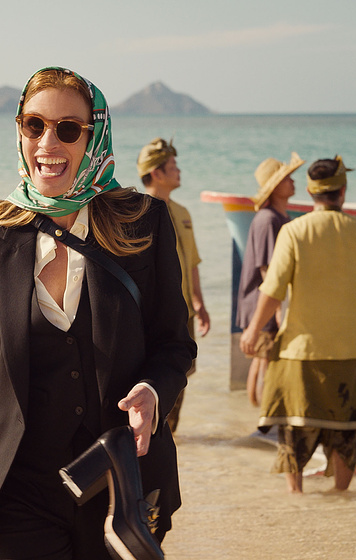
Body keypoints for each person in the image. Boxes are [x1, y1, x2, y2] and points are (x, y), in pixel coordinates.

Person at [0, 67, 194, 558]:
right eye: (34, 125)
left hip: (120, 484)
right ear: (20, 130)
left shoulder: (144, 222)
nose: (49, 142)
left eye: (69, 128)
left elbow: (174, 344)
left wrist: (153, 391)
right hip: (19, 488)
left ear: (95, 135)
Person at [240, 157, 356, 494]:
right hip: (348, 355)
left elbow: (273, 291)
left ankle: (298, 506)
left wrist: (251, 331)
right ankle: (341, 501)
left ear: (310, 192)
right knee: (345, 438)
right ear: (343, 191)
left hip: (299, 356)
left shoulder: (294, 231)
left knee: (294, 439)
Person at [138, 137, 210, 433]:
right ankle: (151, 432)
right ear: (157, 173)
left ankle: (170, 435)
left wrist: (199, 304)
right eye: (173, 166)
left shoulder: (182, 213)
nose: (178, 171)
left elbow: (191, 262)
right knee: (152, 375)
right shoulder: (137, 211)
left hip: (184, 312)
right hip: (151, 313)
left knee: (181, 373)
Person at [237, 153, 304, 408]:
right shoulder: (269, 220)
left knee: (261, 359)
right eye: (287, 178)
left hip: (264, 301)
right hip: (262, 302)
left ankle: (262, 416)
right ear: (275, 187)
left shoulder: (279, 218)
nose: (292, 181)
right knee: (264, 359)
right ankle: (265, 416)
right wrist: (277, 308)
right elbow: (268, 270)